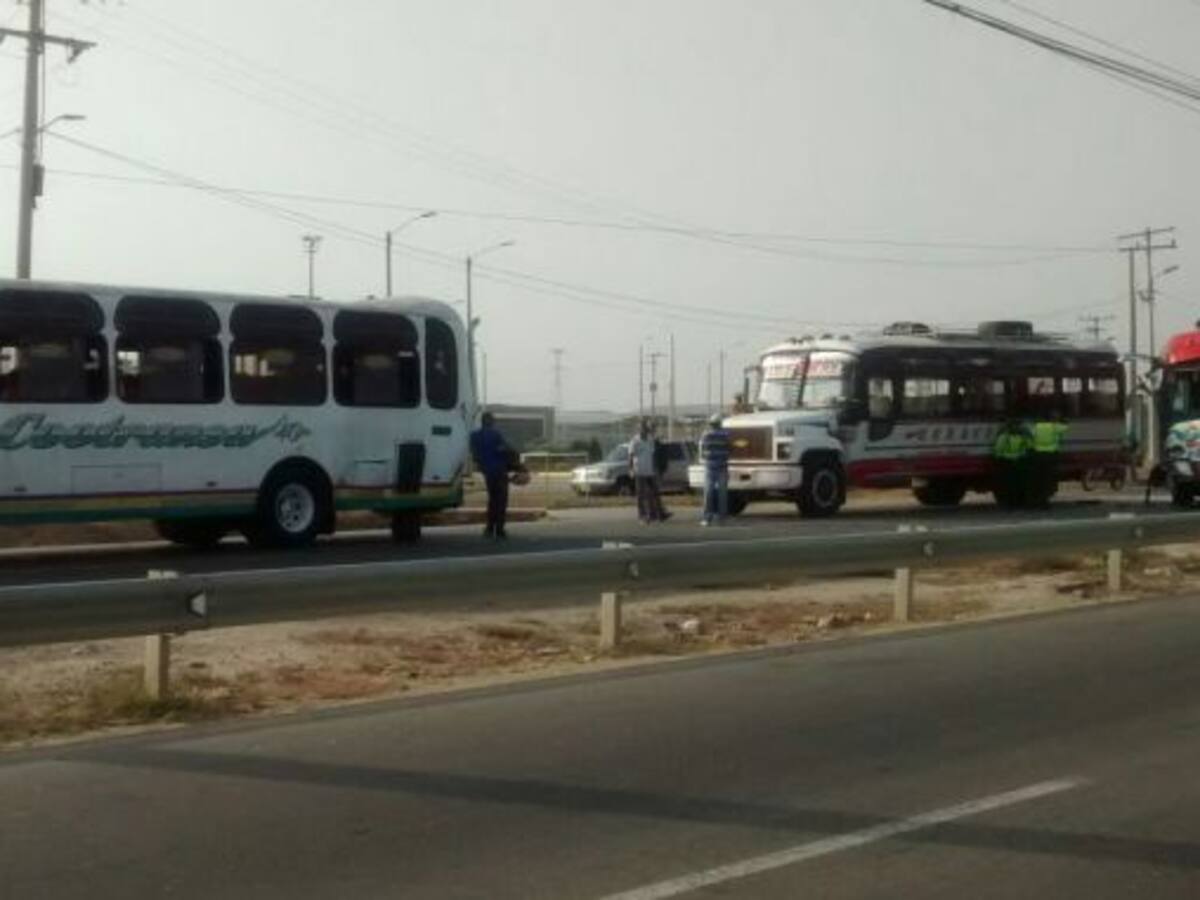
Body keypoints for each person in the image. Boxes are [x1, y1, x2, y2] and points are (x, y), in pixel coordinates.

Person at [470, 411, 514, 538]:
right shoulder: (495, 434)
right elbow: (505, 449)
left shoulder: (474, 436)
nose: (494, 422)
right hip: (499, 471)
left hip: (487, 472)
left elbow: (475, 455)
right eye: (493, 420)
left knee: (492, 500)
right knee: (501, 501)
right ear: (490, 421)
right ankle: (499, 529)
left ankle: (489, 528)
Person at [629, 419, 669, 523]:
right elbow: (631, 456)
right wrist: (631, 469)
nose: (644, 431)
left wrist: (655, 468)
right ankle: (642, 516)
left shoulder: (650, 440)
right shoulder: (635, 441)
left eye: (645, 429)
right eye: (642, 429)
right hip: (639, 471)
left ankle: (660, 514)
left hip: (650, 471)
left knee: (655, 492)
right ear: (639, 430)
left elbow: (652, 455)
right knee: (640, 495)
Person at [992, 417, 1033, 509]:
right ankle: (1014, 502)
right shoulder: (1018, 436)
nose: (1016, 427)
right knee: (1015, 484)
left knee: (1013, 484)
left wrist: (997, 459)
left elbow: (998, 449)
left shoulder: (1007, 436)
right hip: (1014, 462)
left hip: (1012, 462)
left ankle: (1013, 502)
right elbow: (1029, 446)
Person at [1030, 410, 1068, 508]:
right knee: (1048, 478)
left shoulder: (1036, 427)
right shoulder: (1054, 427)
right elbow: (1066, 427)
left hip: (1038, 455)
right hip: (1051, 456)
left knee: (1038, 478)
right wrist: (1059, 419)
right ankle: (1044, 501)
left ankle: (1036, 500)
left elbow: (1030, 437)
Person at [699, 413, 732, 525]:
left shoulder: (706, 434)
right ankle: (721, 518)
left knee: (708, 493)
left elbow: (702, 450)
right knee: (722, 494)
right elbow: (730, 449)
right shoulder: (726, 434)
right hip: (722, 466)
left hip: (710, 466)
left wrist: (707, 457)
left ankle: (707, 518)